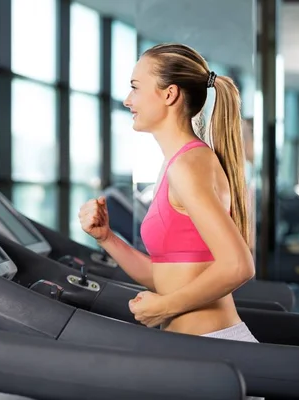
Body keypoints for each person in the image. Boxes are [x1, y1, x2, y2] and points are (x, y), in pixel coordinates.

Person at [79, 43, 257, 343]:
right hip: (195, 345)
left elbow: (238, 266)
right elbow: (164, 275)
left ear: (169, 94)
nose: (126, 100)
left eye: (135, 88)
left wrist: (163, 307)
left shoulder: (189, 165)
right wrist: (106, 238)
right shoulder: (178, 163)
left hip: (215, 346)